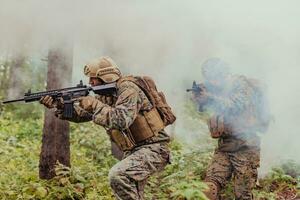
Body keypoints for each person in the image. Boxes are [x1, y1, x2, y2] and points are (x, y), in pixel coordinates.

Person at [40, 56, 173, 200]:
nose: (90, 83)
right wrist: (58, 105)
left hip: (154, 148)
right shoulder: (106, 96)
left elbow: (121, 120)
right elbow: (81, 115)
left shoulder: (128, 89)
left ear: (106, 77)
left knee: (118, 175)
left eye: (93, 79)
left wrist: (93, 104)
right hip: (134, 151)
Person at [191, 58, 270, 200]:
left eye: (215, 78)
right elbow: (204, 110)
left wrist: (210, 97)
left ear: (224, 74)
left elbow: (236, 105)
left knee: (242, 195)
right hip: (225, 146)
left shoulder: (241, 84)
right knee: (209, 189)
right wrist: (201, 101)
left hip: (246, 148)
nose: (213, 82)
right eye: (210, 79)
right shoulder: (213, 89)